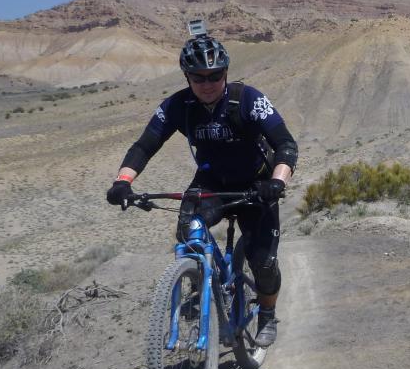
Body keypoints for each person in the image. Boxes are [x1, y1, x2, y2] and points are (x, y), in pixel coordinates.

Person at [106, 32, 297, 346]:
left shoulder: (247, 98)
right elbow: (144, 146)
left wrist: (276, 182)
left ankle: (266, 313)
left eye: (215, 76)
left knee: (263, 262)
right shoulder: (178, 106)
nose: (207, 84)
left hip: (256, 186)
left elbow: (285, 144)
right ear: (187, 77)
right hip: (212, 183)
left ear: (225, 72)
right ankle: (199, 281)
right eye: (198, 77)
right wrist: (122, 182)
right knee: (187, 229)